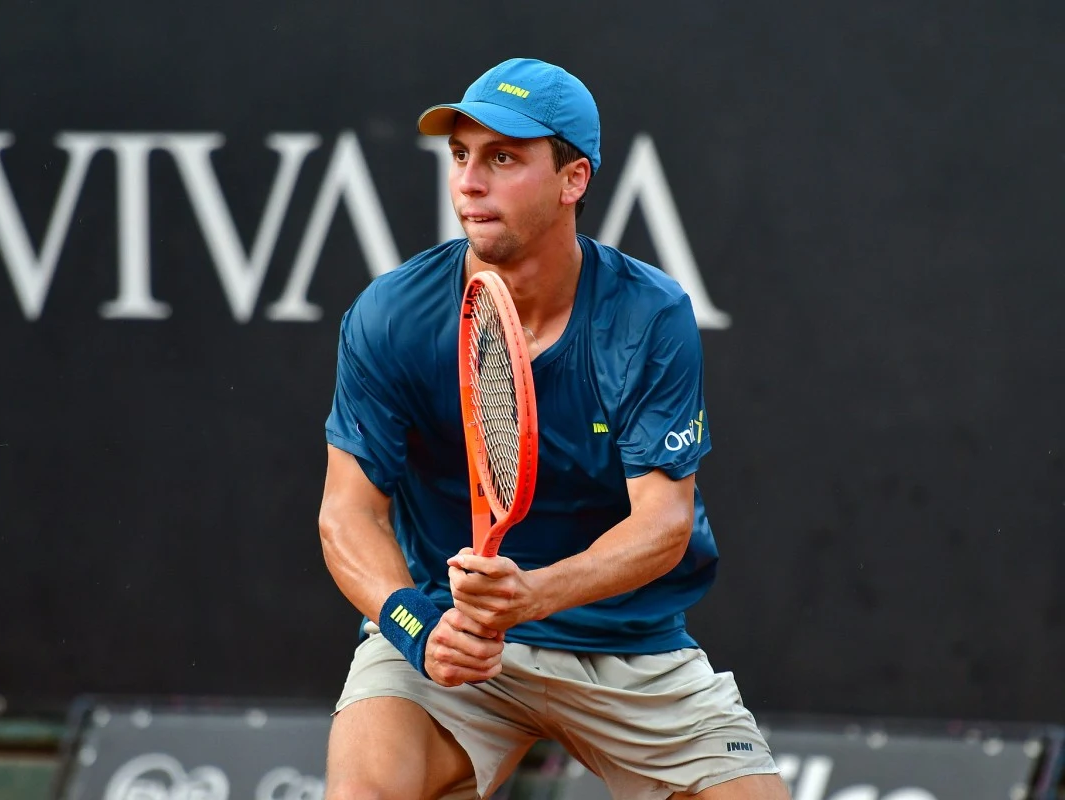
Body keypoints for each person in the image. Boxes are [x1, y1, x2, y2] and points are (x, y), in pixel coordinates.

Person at [318, 57, 789, 800]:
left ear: (573, 180)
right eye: (462, 156)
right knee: (366, 791)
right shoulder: (391, 316)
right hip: (454, 636)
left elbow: (662, 525)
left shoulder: (648, 315)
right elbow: (347, 513)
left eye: (503, 158)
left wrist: (531, 596)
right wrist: (413, 623)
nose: (470, 182)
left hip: (626, 647)